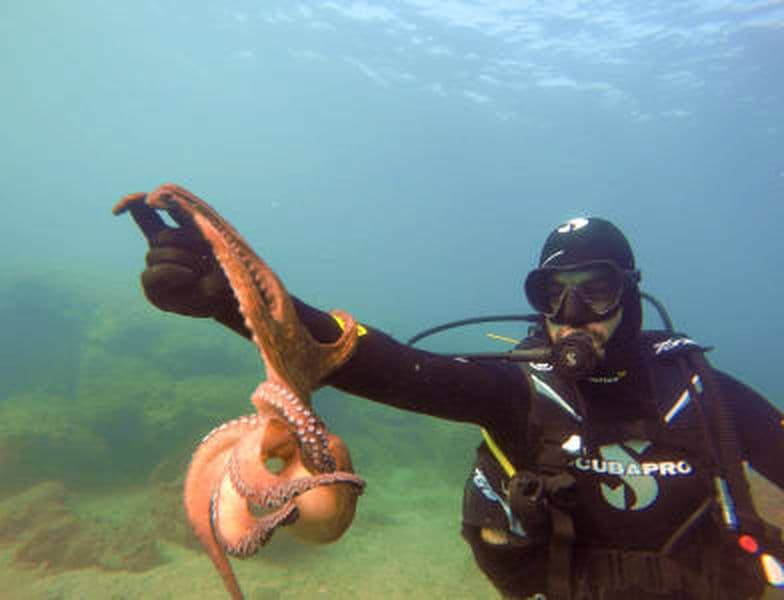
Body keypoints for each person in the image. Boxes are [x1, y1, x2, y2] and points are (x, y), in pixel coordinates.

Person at [130, 211, 784, 599]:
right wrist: (232, 301)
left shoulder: (704, 394)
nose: (571, 315)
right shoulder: (517, 393)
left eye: (597, 290)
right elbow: (384, 366)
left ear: (632, 295)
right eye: (552, 294)